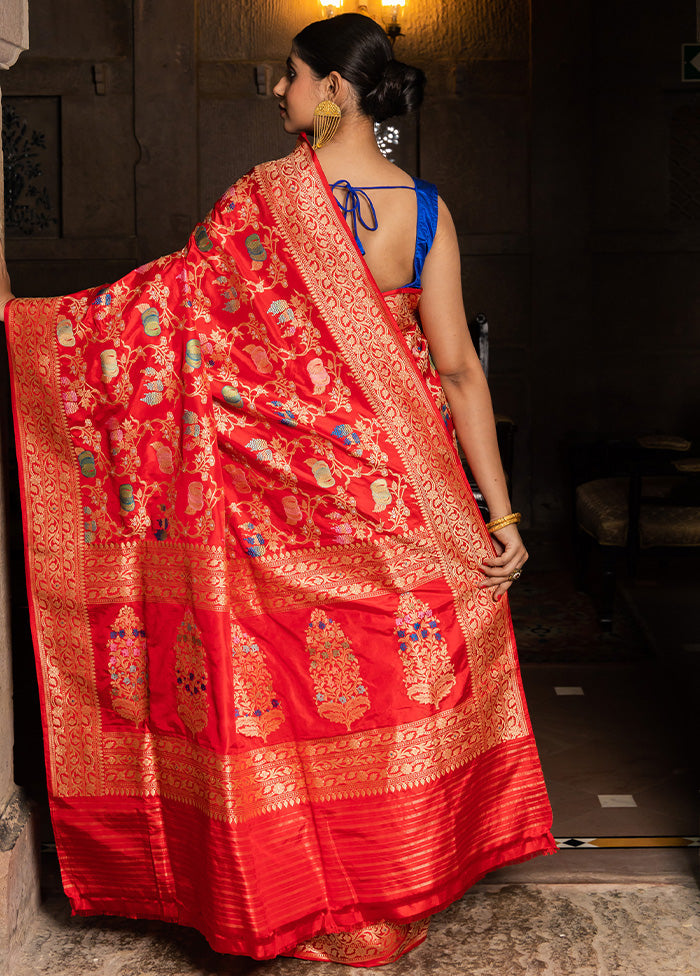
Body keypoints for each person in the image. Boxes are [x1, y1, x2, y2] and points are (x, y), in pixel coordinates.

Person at [0, 13, 554, 968]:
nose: (277, 92)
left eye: (290, 77)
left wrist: (31, 330)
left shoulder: (263, 200)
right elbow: (461, 373)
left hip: (276, 514)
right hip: (397, 503)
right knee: (385, 704)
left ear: (334, 89)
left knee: (294, 703)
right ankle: (384, 897)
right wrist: (495, 514)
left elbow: (170, 318)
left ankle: (305, 899)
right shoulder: (424, 213)